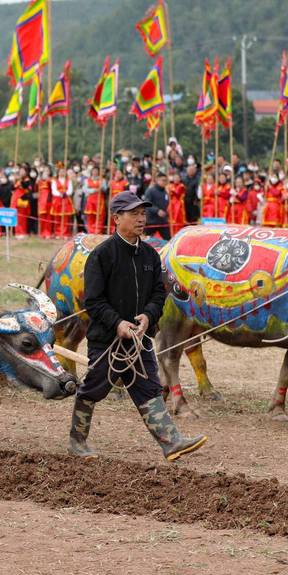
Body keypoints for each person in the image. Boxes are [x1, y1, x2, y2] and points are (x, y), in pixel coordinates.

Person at [69, 190, 207, 461]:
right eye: (134, 214)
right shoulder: (101, 256)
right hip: (108, 340)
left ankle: (171, 442)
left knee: (148, 388)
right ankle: (77, 441)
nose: (141, 218)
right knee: (94, 388)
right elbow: (94, 302)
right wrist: (117, 322)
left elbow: (159, 294)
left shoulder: (150, 256)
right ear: (116, 219)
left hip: (140, 340)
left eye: (143, 213)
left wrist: (148, 316)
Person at [144, 173, 171, 240]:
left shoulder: (165, 192)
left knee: (168, 240)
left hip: (163, 220)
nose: (165, 182)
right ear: (157, 180)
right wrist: (157, 210)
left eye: (166, 181)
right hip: (151, 221)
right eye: (163, 180)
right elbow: (147, 204)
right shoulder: (150, 191)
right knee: (147, 240)